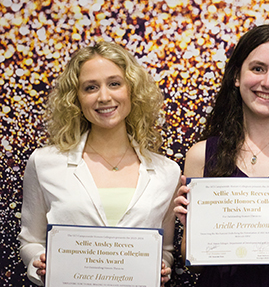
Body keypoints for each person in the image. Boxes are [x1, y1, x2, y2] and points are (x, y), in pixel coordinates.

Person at [172, 24, 269, 287]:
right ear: (236, 76)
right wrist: (194, 225)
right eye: (257, 68)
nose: (268, 82)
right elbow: (195, 262)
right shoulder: (201, 155)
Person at [18, 41, 180, 286]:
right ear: (76, 98)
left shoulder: (167, 172)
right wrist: (38, 262)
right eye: (90, 87)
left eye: (114, 84)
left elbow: (166, 248)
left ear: (132, 90)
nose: (104, 97)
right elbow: (30, 241)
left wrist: (163, 267)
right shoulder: (44, 163)